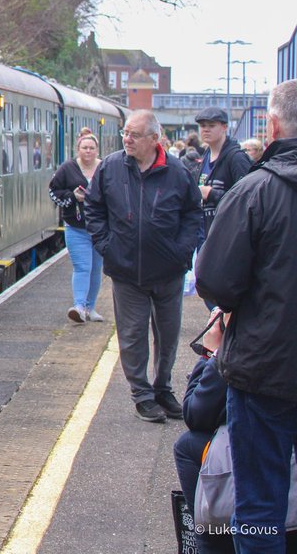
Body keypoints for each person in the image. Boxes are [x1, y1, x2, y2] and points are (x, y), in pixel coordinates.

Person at [196, 79, 297, 553]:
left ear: (273, 125)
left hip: (265, 372)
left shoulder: (255, 192)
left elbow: (214, 280)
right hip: (267, 370)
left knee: (259, 508)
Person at [85, 109, 203, 423]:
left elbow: (193, 214)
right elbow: (94, 208)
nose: (127, 139)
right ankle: (142, 394)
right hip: (126, 271)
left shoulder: (177, 172)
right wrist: (106, 246)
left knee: (167, 333)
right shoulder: (110, 168)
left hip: (168, 271)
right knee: (132, 334)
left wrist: (182, 251)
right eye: (126, 133)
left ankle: (163, 387)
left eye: (134, 134)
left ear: (154, 138)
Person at [175, 309, 236, 554]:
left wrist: (212, 354)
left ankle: (210, 541)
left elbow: (196, 413)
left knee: (188, 446)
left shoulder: (251, 343)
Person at [48, 133, 104, 324]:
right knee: (82, 267)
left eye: (91, 148)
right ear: (77, 150)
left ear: (97, 150)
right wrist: (72, 196)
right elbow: (53, 191)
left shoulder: (104, 168)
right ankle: (79, 306)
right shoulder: (67, 169)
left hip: (100, 228)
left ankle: (91, 308)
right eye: (84, 148)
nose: (88, 151)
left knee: (96, 269)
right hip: (76, 227)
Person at [195, 106, 253, 240]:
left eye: (211, 125)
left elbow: (248, 199)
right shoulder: (205, 157)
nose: (206, 129)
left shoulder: (236, 158)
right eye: (202, 125)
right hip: (204, 233)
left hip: (228, 236)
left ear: (224, 127)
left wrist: (211, 193)